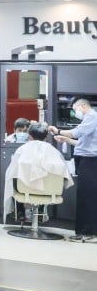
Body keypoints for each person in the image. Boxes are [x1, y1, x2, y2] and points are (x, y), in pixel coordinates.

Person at [7, 121, 74, 223]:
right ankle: (40, 211)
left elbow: (11, 173)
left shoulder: (22, 150)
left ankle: (20, 212)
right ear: (46, 137)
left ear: (29, 136)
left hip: (24, 190)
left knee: (13, 180)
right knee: (45, 180)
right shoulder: (54, 152)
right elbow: (65, 175)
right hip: (49, 192)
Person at [51, 97, 97, 242]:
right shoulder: (89, 120)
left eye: (75, 109)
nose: (75, 112)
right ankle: (82, 232)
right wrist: (66, 140)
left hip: (90, 162)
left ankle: (89, 233)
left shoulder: (92, 117)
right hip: (85, 160)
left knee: (88, 197)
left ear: (82, 106)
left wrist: (57, 130)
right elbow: (80, 142)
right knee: (83, 196)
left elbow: (75, 133)